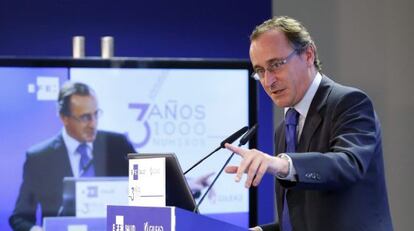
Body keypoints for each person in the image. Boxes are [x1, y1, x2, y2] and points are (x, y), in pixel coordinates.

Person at [224, 16, 393, 231]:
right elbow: (305, 219)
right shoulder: (284, 128)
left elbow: (348, 163)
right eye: (260, 71)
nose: (268, 81)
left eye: (275, 65)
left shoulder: (349, 103)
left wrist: (282, 164)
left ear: (308, 55)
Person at [9, 82, 136, 231]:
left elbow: (150, 192)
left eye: (96, 114)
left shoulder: (118, 145)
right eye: (85, 117)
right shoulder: (39, 158)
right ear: (64, 118)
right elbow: (20, 217)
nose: (93, 124)